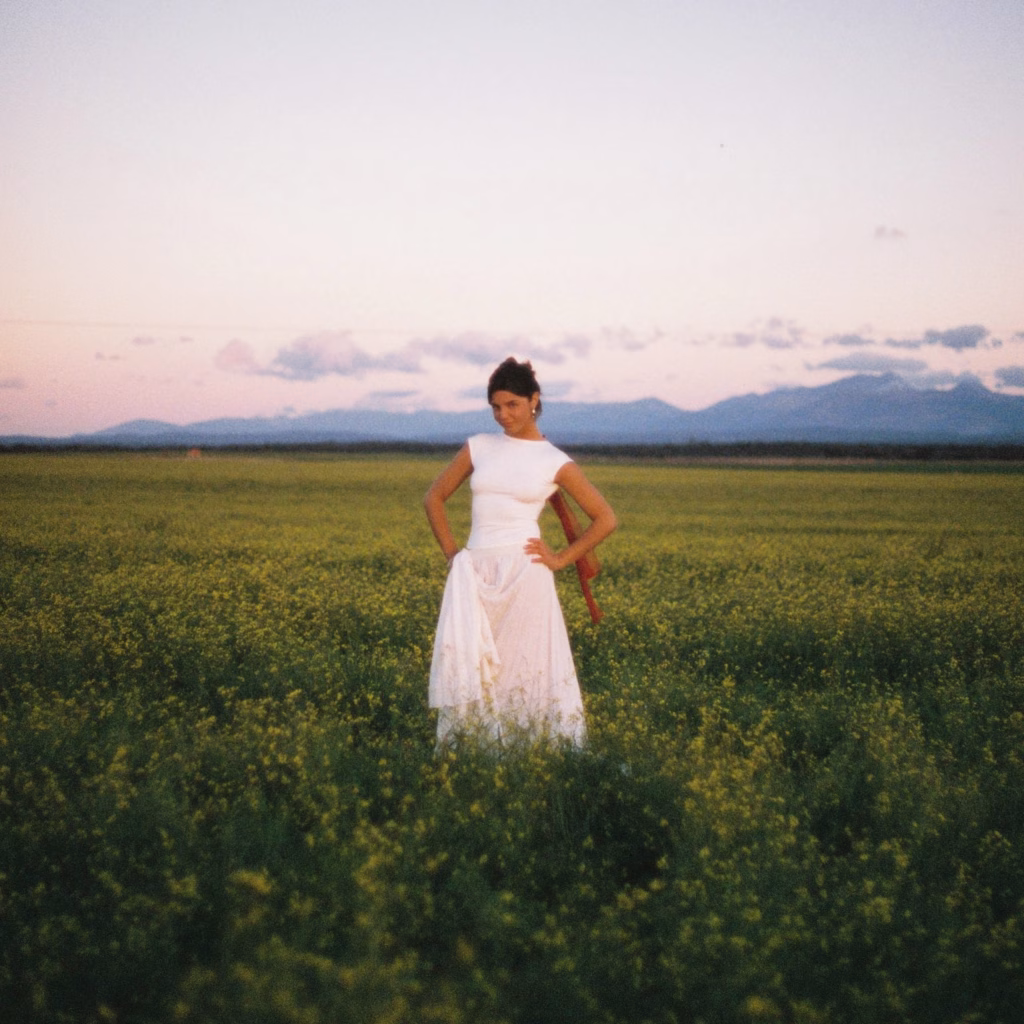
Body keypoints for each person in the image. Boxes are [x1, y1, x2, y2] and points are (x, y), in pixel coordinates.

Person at [424, 357, 618, 747]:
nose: (503, 415)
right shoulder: (478, 447)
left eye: (512, 405)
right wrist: (454, 556)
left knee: (526, 667)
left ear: (534, 400)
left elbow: (605, 517)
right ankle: (478, 750)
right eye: (496, 407)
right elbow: (434, 498)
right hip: (475, 575)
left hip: (526, 576)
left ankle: (533, 751)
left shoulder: (554, 460)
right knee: (476, 668)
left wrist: (561, 559)